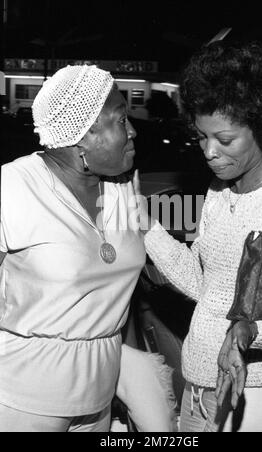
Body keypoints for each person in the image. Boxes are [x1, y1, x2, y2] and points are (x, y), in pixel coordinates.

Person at [134, 41, 262, 432]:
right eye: (201, 137)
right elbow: (205, 286)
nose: (209, 151)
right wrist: (146, 226)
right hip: (198, 381)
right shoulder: (218, 189)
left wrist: (254, 332)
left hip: (257, 393)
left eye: (224, 140)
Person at [0, 64, 176, 432]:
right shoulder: (12, 189)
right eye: (120, 120)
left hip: (99, 392)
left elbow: (120, 295)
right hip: (25, 397)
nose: (133, 131)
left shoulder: (123, 186)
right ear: (82, 135)